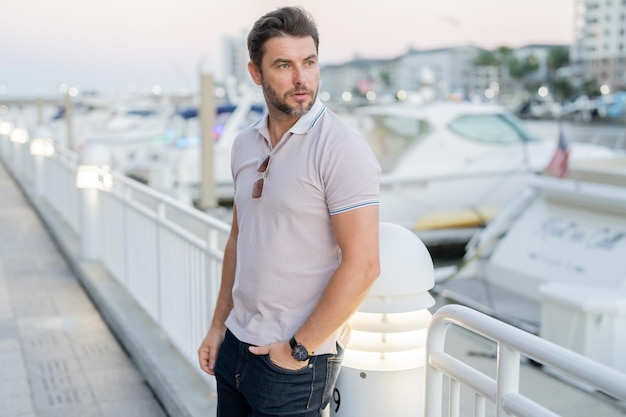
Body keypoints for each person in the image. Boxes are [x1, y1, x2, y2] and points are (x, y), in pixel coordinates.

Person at [197, 6, 381, 417]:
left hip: (293, 364)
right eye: (284, 65)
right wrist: (217, 327)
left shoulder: (341, 148)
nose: (301, 79)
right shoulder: (245, 143)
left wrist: (297, 349)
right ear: (256, 73)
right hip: (236, 346)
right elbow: (238, 238)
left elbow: (364, 264)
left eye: (309, 63)